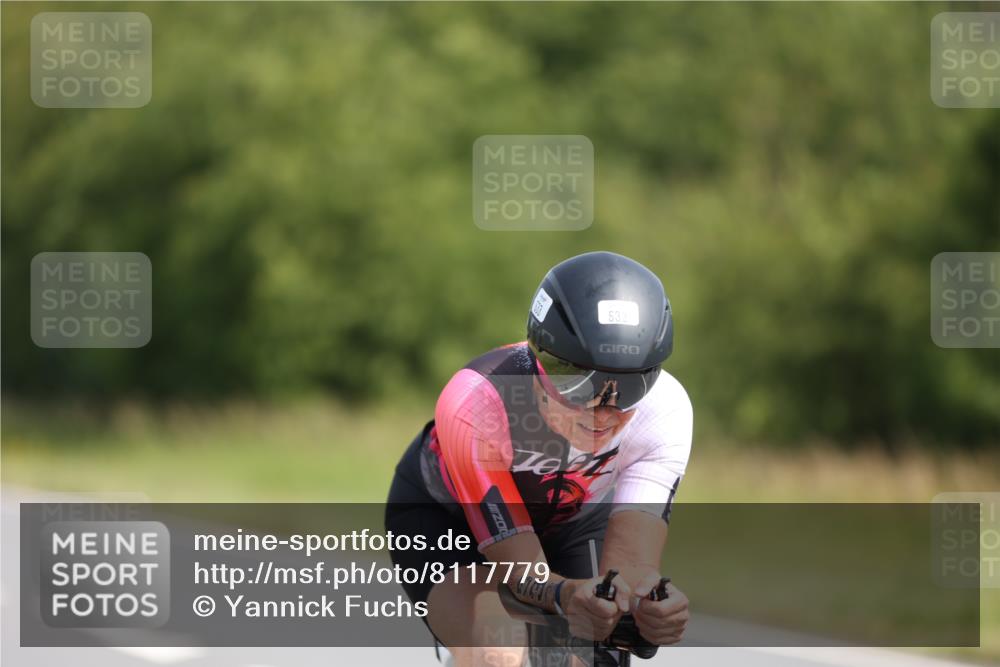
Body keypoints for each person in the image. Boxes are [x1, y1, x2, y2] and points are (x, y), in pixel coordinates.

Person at [385, 251, 693, 666]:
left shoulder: (667, 409)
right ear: (539, 361)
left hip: (573, 522)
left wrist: (644, 605)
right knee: (499, 652)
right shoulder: (477, 403)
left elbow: (631, 569)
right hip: (449, 519)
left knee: (588, 657)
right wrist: (566, 596)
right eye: (578, 383)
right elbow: (522, 571)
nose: (602, 410)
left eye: (631, 385)